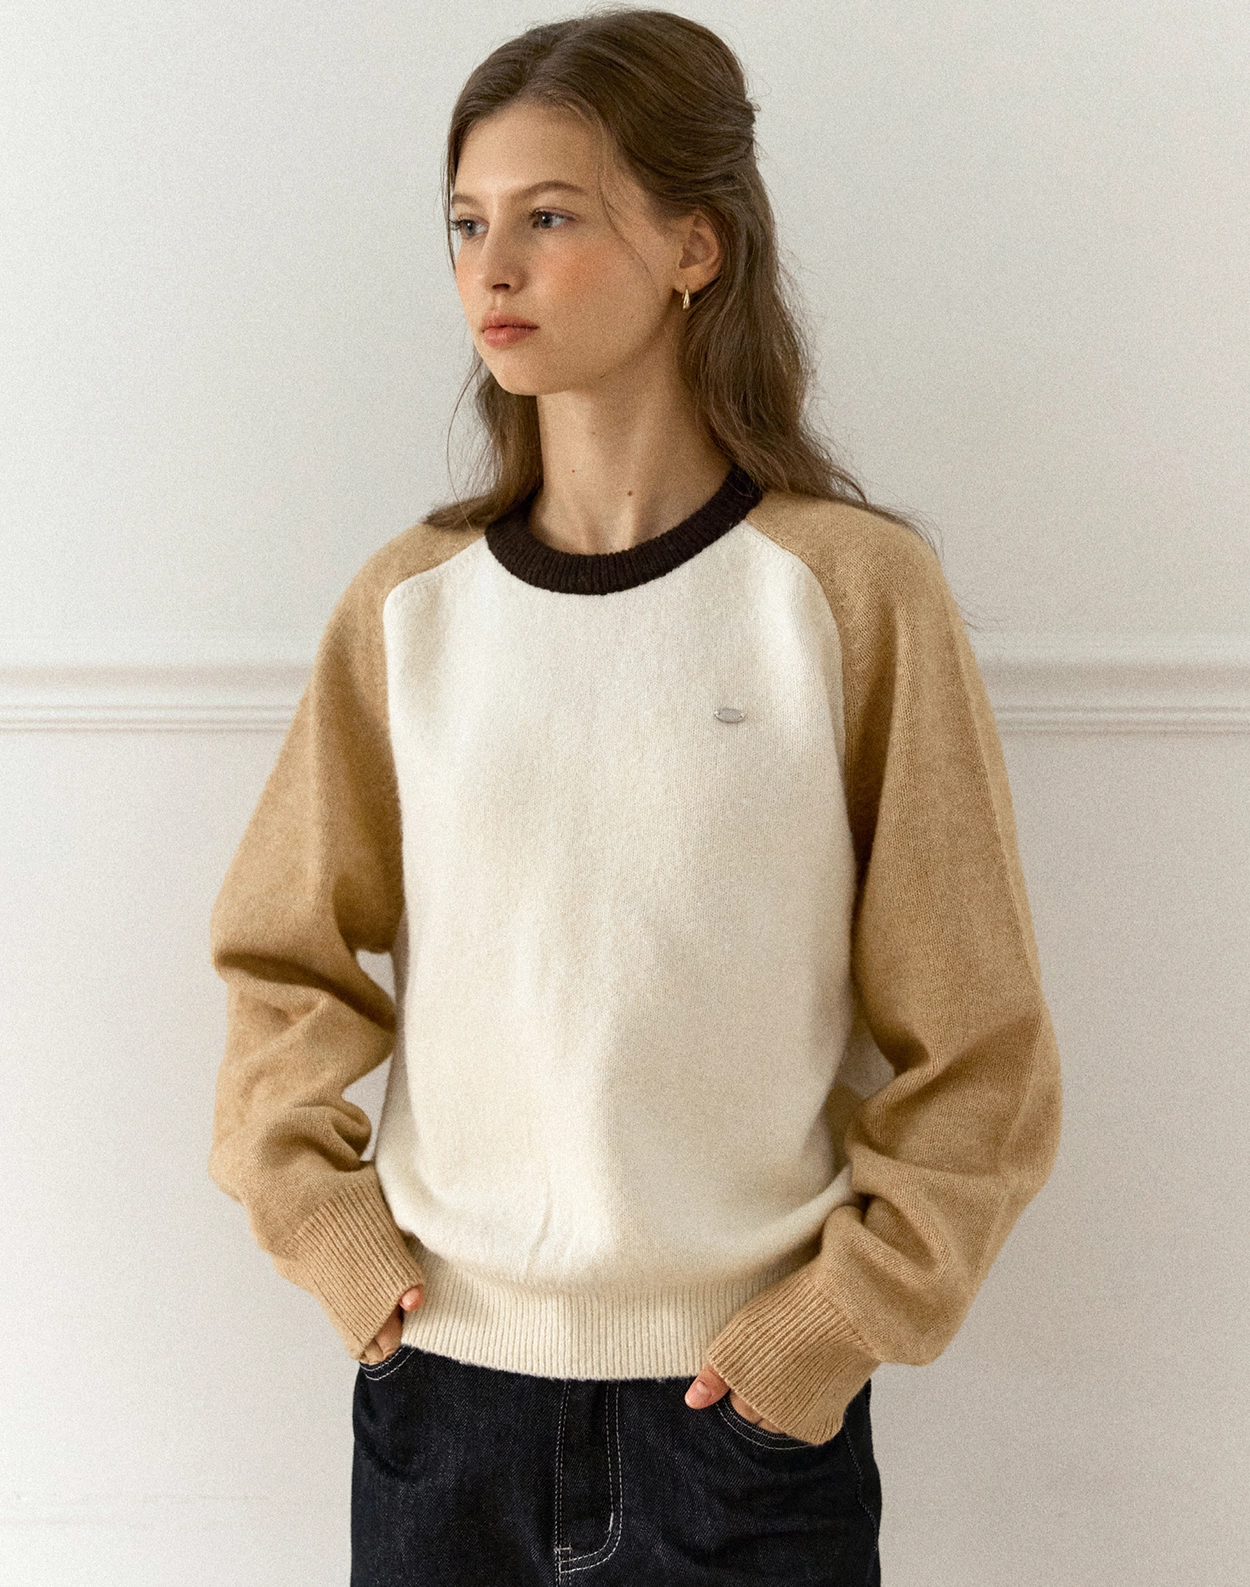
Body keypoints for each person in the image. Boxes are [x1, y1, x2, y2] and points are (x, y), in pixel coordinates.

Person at [208, 8, 1063, 1584]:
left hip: (742, 1424)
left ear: (693, 245)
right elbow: (283, 962)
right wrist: (332, 1238)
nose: (492, 268)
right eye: (466, 223)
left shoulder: (848, 592)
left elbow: (977, 1039)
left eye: (549, 217)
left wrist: (834, 1324)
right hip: (441, 1408)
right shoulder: (407, 608)